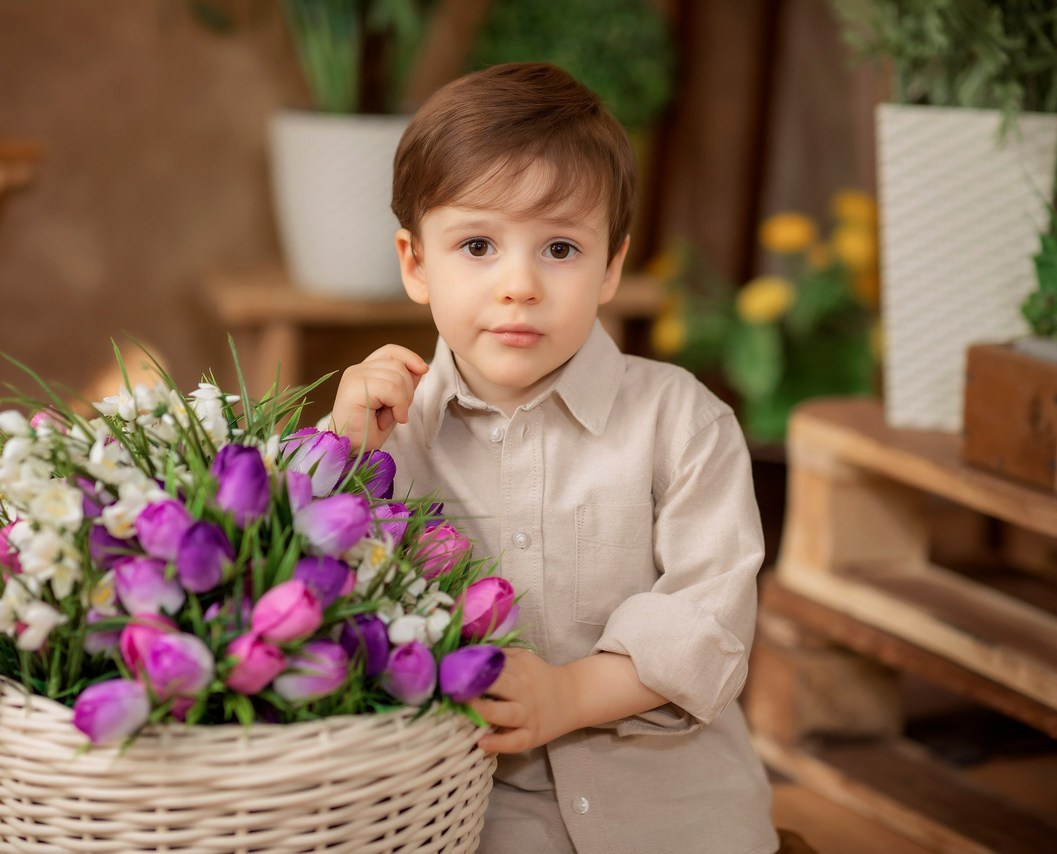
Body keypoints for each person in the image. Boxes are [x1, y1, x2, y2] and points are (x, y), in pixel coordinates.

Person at [331, 62, 778, 854]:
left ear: (611, 267)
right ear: (414, 262)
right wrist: (340, 460)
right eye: (476, 244)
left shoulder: (684, 420)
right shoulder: (386, 430)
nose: (519, 285)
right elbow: (320, 601)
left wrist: (572, 692)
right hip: (472, 814)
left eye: (561, 248)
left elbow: (707, 617)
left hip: (675, 809)